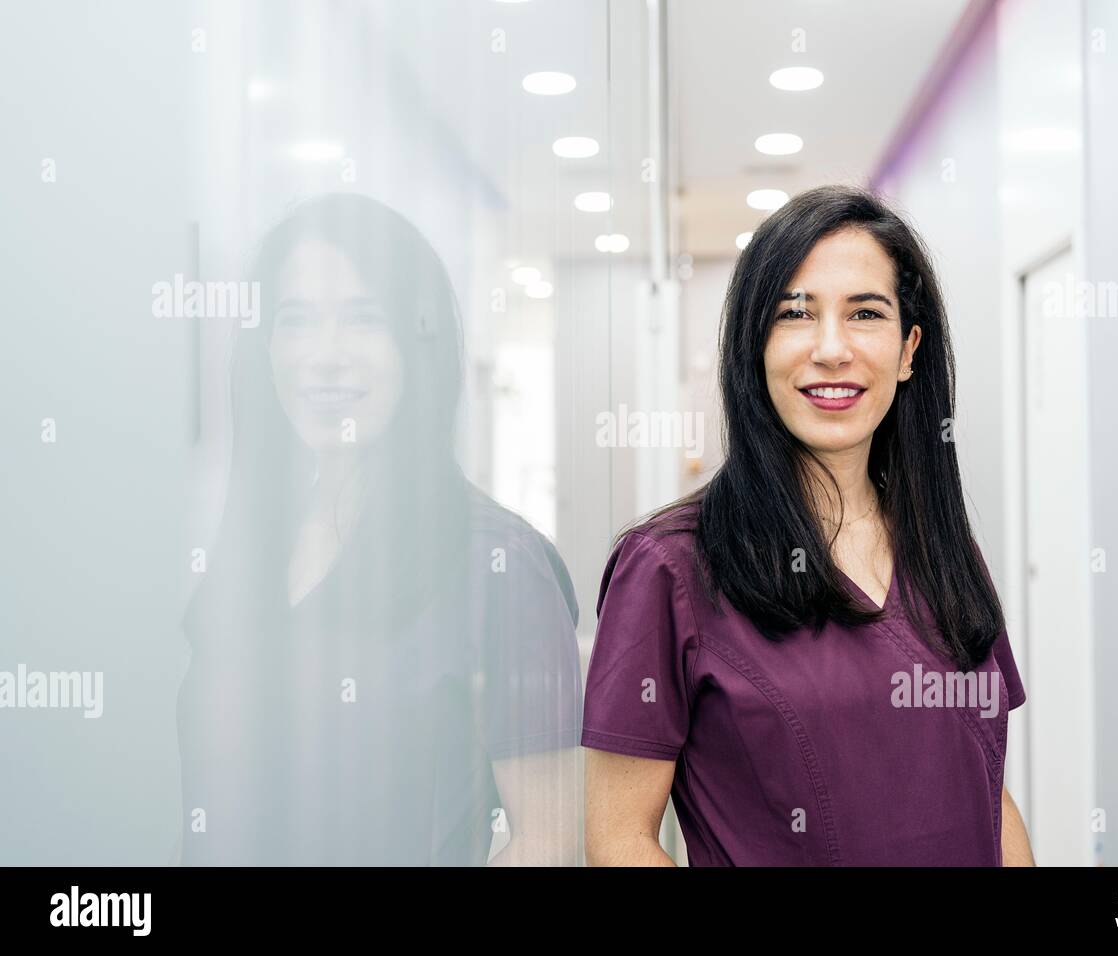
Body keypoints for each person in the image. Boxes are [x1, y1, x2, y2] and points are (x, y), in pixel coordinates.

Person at [581, 183, 1033, 866]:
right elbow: (620, 839)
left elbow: (988, 794)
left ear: (909, 349)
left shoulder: (946, 552)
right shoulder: (670, 567)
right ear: (754, 346)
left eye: (865, 314)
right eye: (796, 313)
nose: (831, 349)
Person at [174, 193, 582, 865]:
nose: (324, 356)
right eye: (296, 321)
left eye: (363, 320)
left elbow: (549, 843)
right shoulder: (253, 545)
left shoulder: (500, 565)